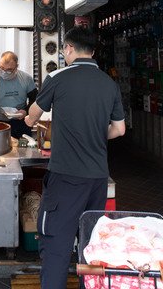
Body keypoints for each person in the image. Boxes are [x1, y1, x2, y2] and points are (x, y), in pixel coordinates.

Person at [23, 26, 126, 289]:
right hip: (97, 179)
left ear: (68, 49)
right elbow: (119, 129)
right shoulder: (108, 83)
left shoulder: (57, 77)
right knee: (91, 246)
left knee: (56, 246)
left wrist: (26, 117)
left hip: (66, 179)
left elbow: (34, 115)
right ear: (92, 52)